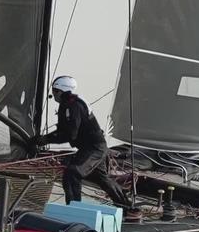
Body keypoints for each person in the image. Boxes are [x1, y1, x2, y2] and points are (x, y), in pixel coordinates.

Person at [33, 75, 132, 208]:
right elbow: (65, 131)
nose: (53, 94)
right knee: (102, 178)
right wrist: (44, 139)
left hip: (94, 148)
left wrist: (43, 140)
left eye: (54, 91)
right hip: (93, 147)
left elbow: (70, 134)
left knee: (72, 173)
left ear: (60, 91)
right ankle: (127, 207)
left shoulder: (72, 106)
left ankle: (74, 209)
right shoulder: (70, 103)